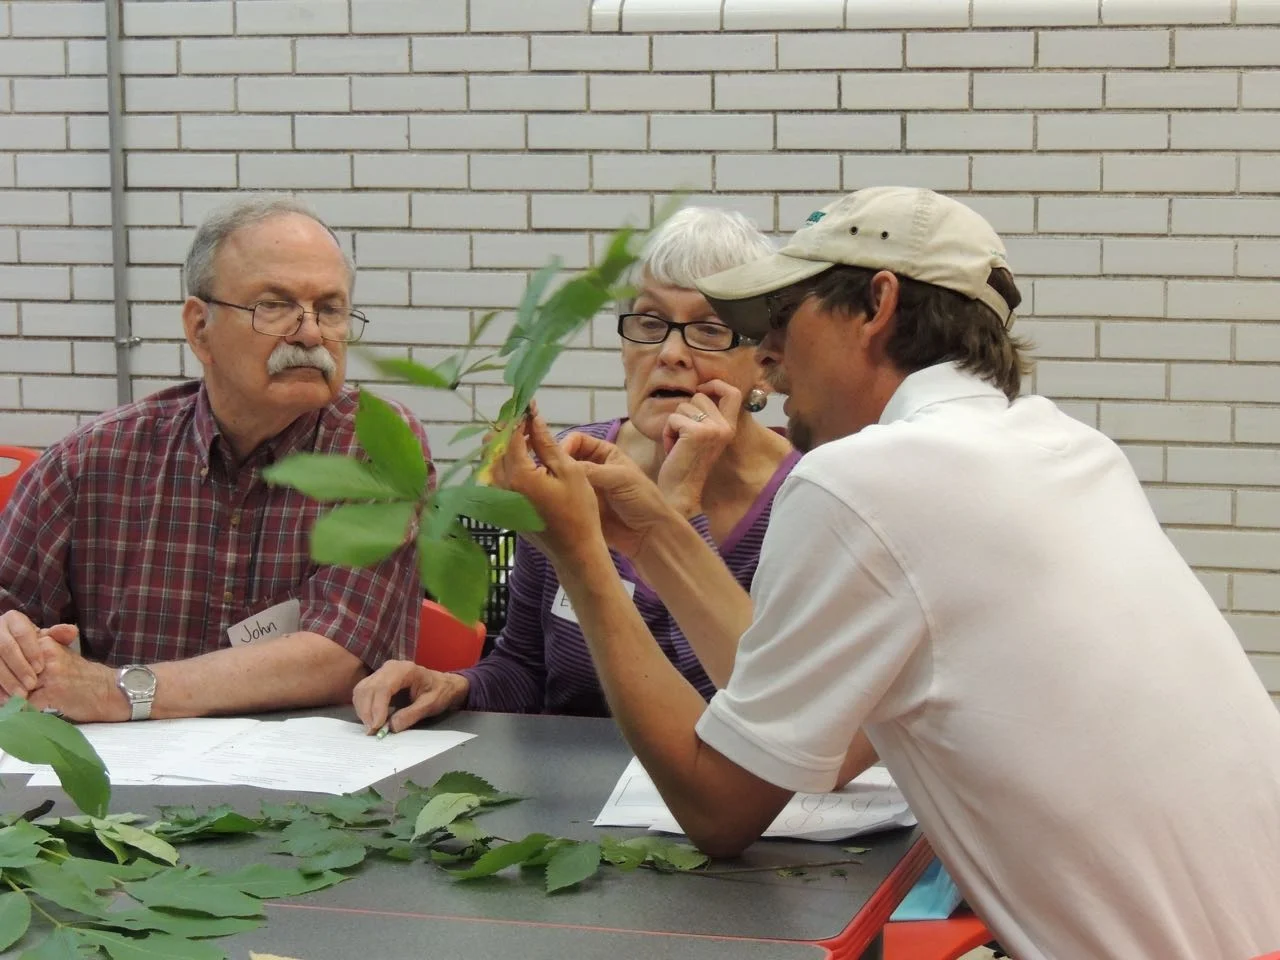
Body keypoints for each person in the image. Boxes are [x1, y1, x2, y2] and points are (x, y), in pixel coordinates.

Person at [489, 187, 1280, 960]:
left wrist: (581, 552)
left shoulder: (863, 481)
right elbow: (828, 750)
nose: (766, 356)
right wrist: (655, 533)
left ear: (876, 305)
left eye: (783, 319)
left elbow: (719, 808)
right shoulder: (1068, 449)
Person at [353, 207, 797, 732]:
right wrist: (456, 687)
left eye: (708, 329)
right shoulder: (572, 467)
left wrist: (679, 511)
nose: (670, 353)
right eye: (650, 323)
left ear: (766, 364)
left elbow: (750, 717)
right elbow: (526, 669)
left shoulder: (803, 498)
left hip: (708, 802)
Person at [0, 196, 429, 723]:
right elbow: (9, 611)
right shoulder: (91, 462)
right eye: (274, 306)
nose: (311, 333)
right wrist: (14, 649)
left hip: (312, 789)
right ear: (199, 327)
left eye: (331, 309)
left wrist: (116, 690)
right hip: (120, 794)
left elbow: (338, 655)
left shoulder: (378, 448)